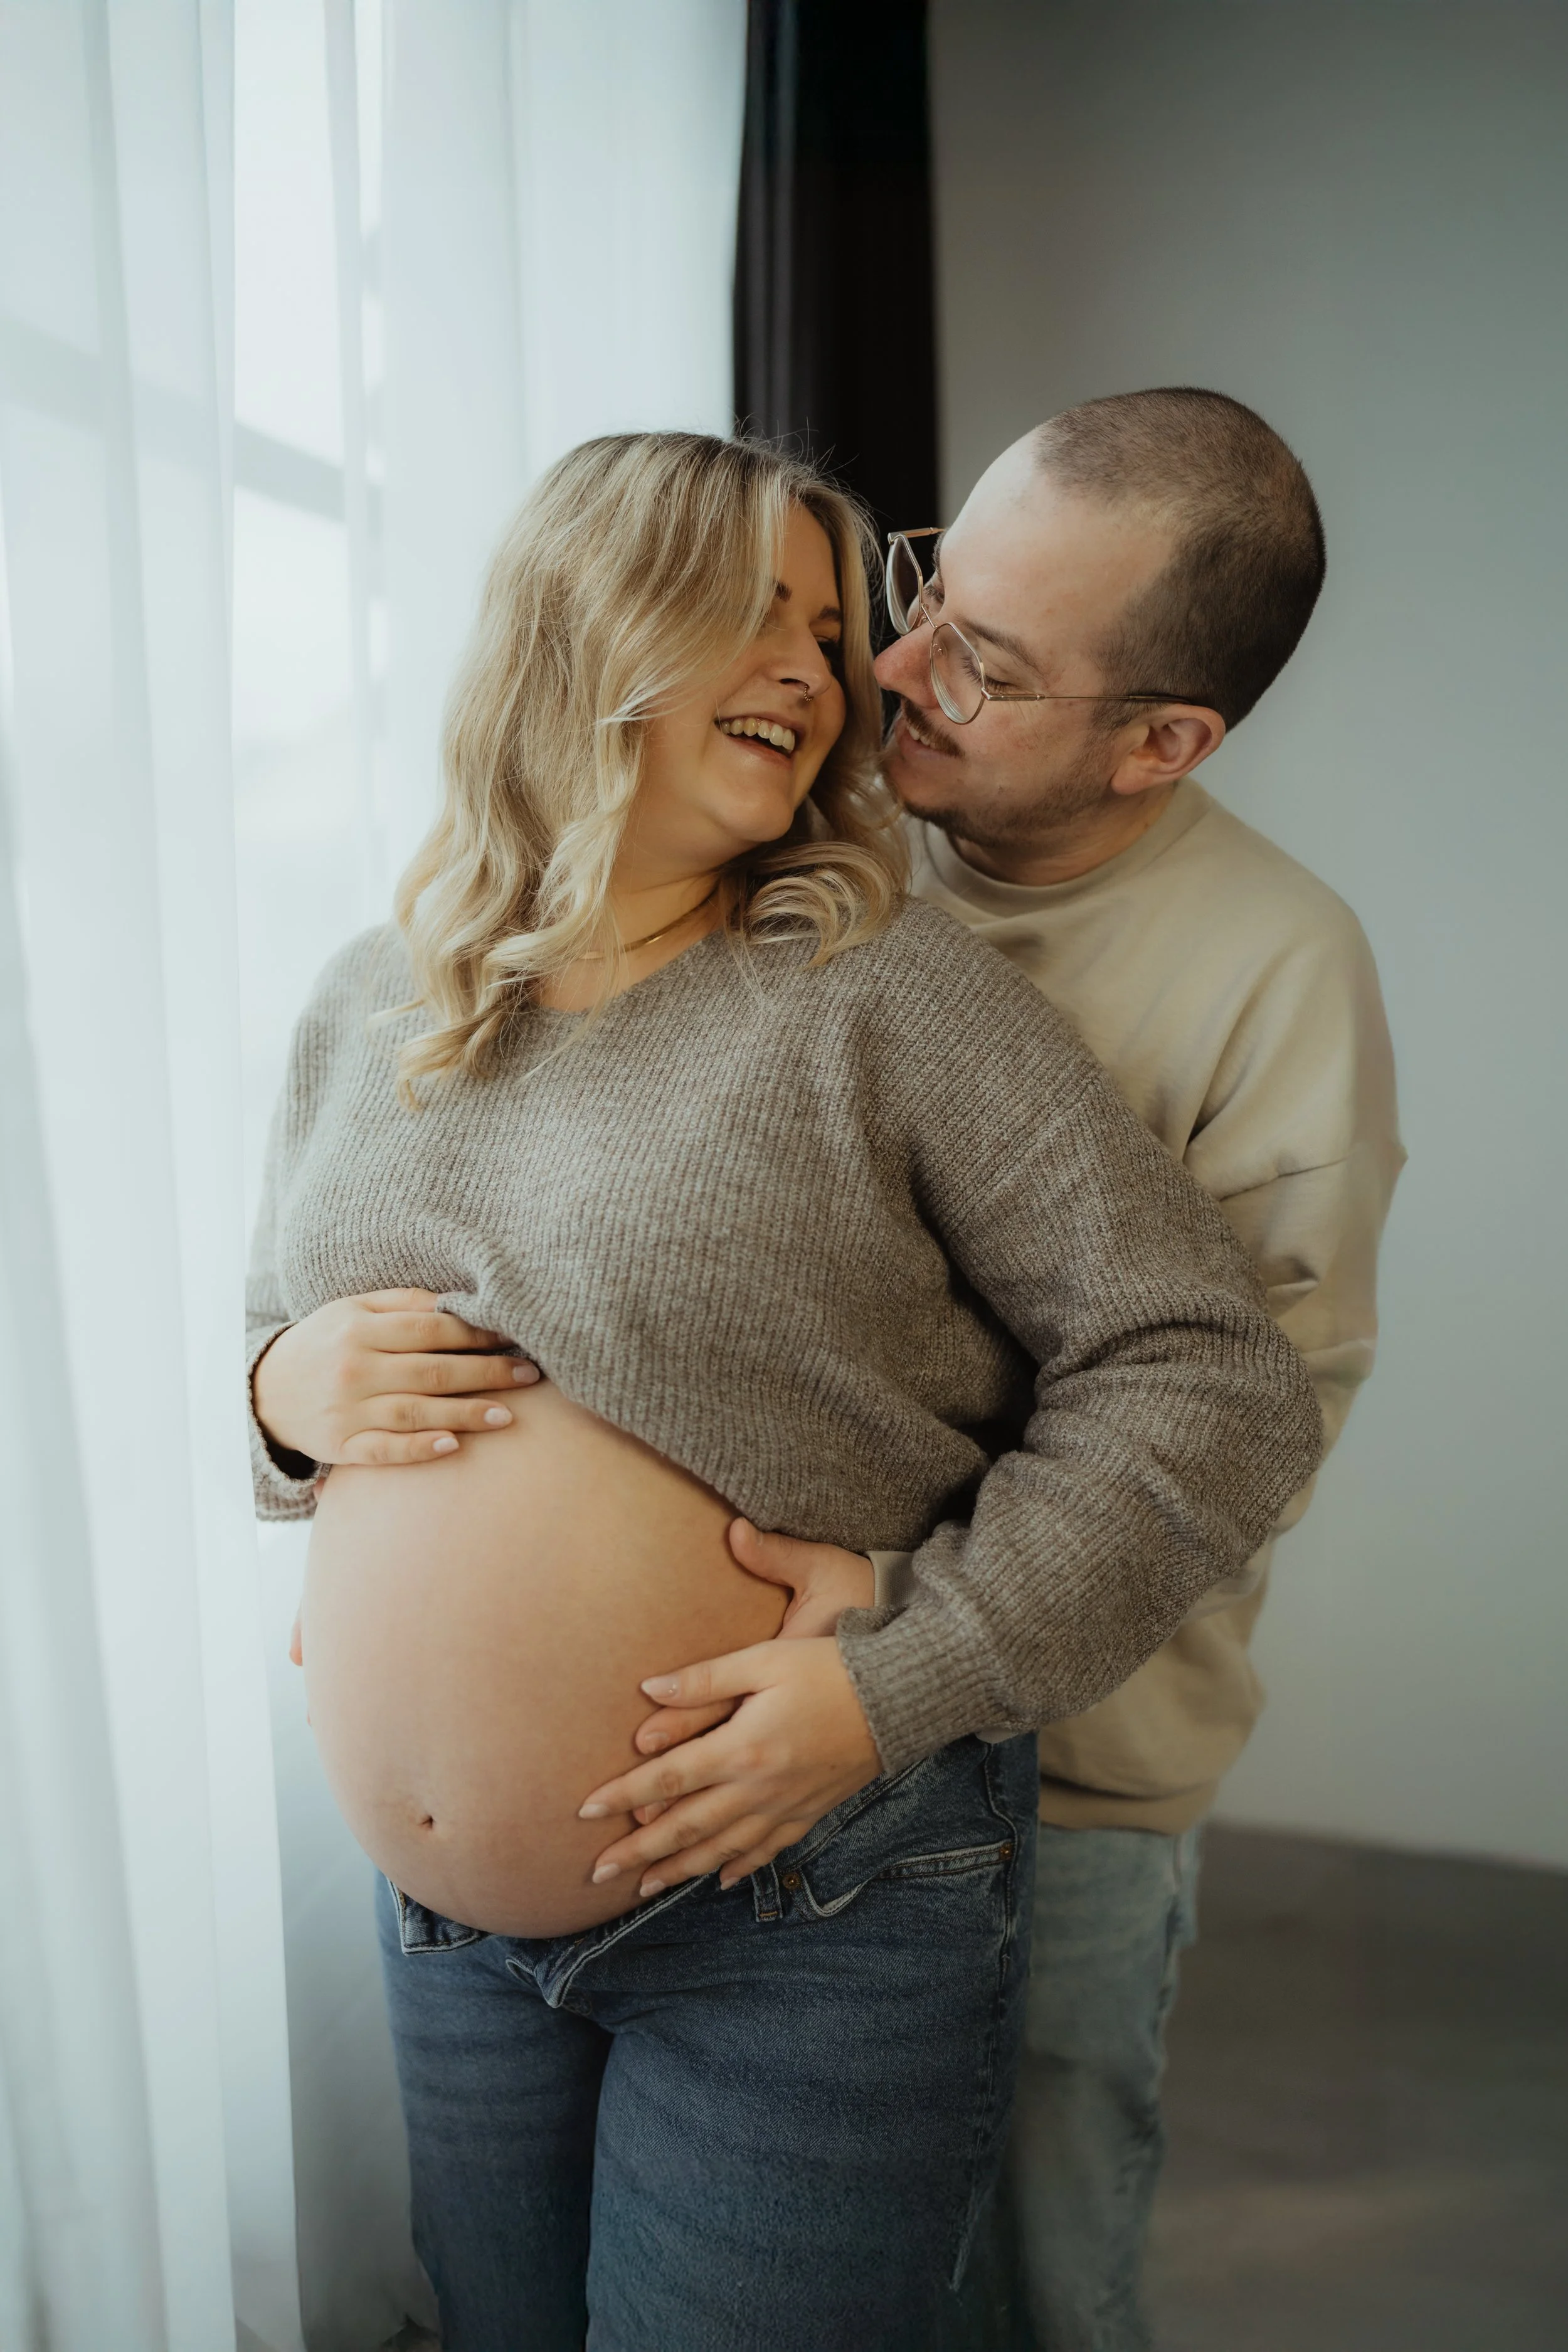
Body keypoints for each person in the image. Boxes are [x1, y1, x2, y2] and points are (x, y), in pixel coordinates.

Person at [246, 430, 1322, 2351]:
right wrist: (275, 1388)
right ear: (581, 625)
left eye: (830, 625)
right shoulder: (372, 993)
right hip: (449, 1938)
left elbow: (1207, 1380)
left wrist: (892, 1677)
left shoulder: (874, 984)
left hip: (803, 1900)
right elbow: (302, 1371)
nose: (821, 669)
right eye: (753, 604)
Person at [740, 386, 1399, 2349]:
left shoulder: (1276, 971)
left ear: (1163, 742)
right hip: (756, 1740)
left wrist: (906, 1659)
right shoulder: (803, 826)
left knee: (1020, 2286)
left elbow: (1236, 1434)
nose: (895, 660)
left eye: (991, 666)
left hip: (1065, 1781)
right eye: (930, 576)